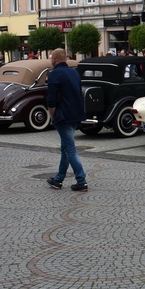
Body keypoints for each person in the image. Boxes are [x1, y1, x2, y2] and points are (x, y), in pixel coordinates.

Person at [46, 48, 87, 192]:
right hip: (76, 114)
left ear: (55, 59)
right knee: (65, 149)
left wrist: (52, 115)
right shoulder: (74, 72)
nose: (51, 60)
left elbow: (51, 99)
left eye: (51, 58)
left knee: (70, 149)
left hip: (63, 116)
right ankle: (58, 179)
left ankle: (81, 180)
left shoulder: (54, 74)